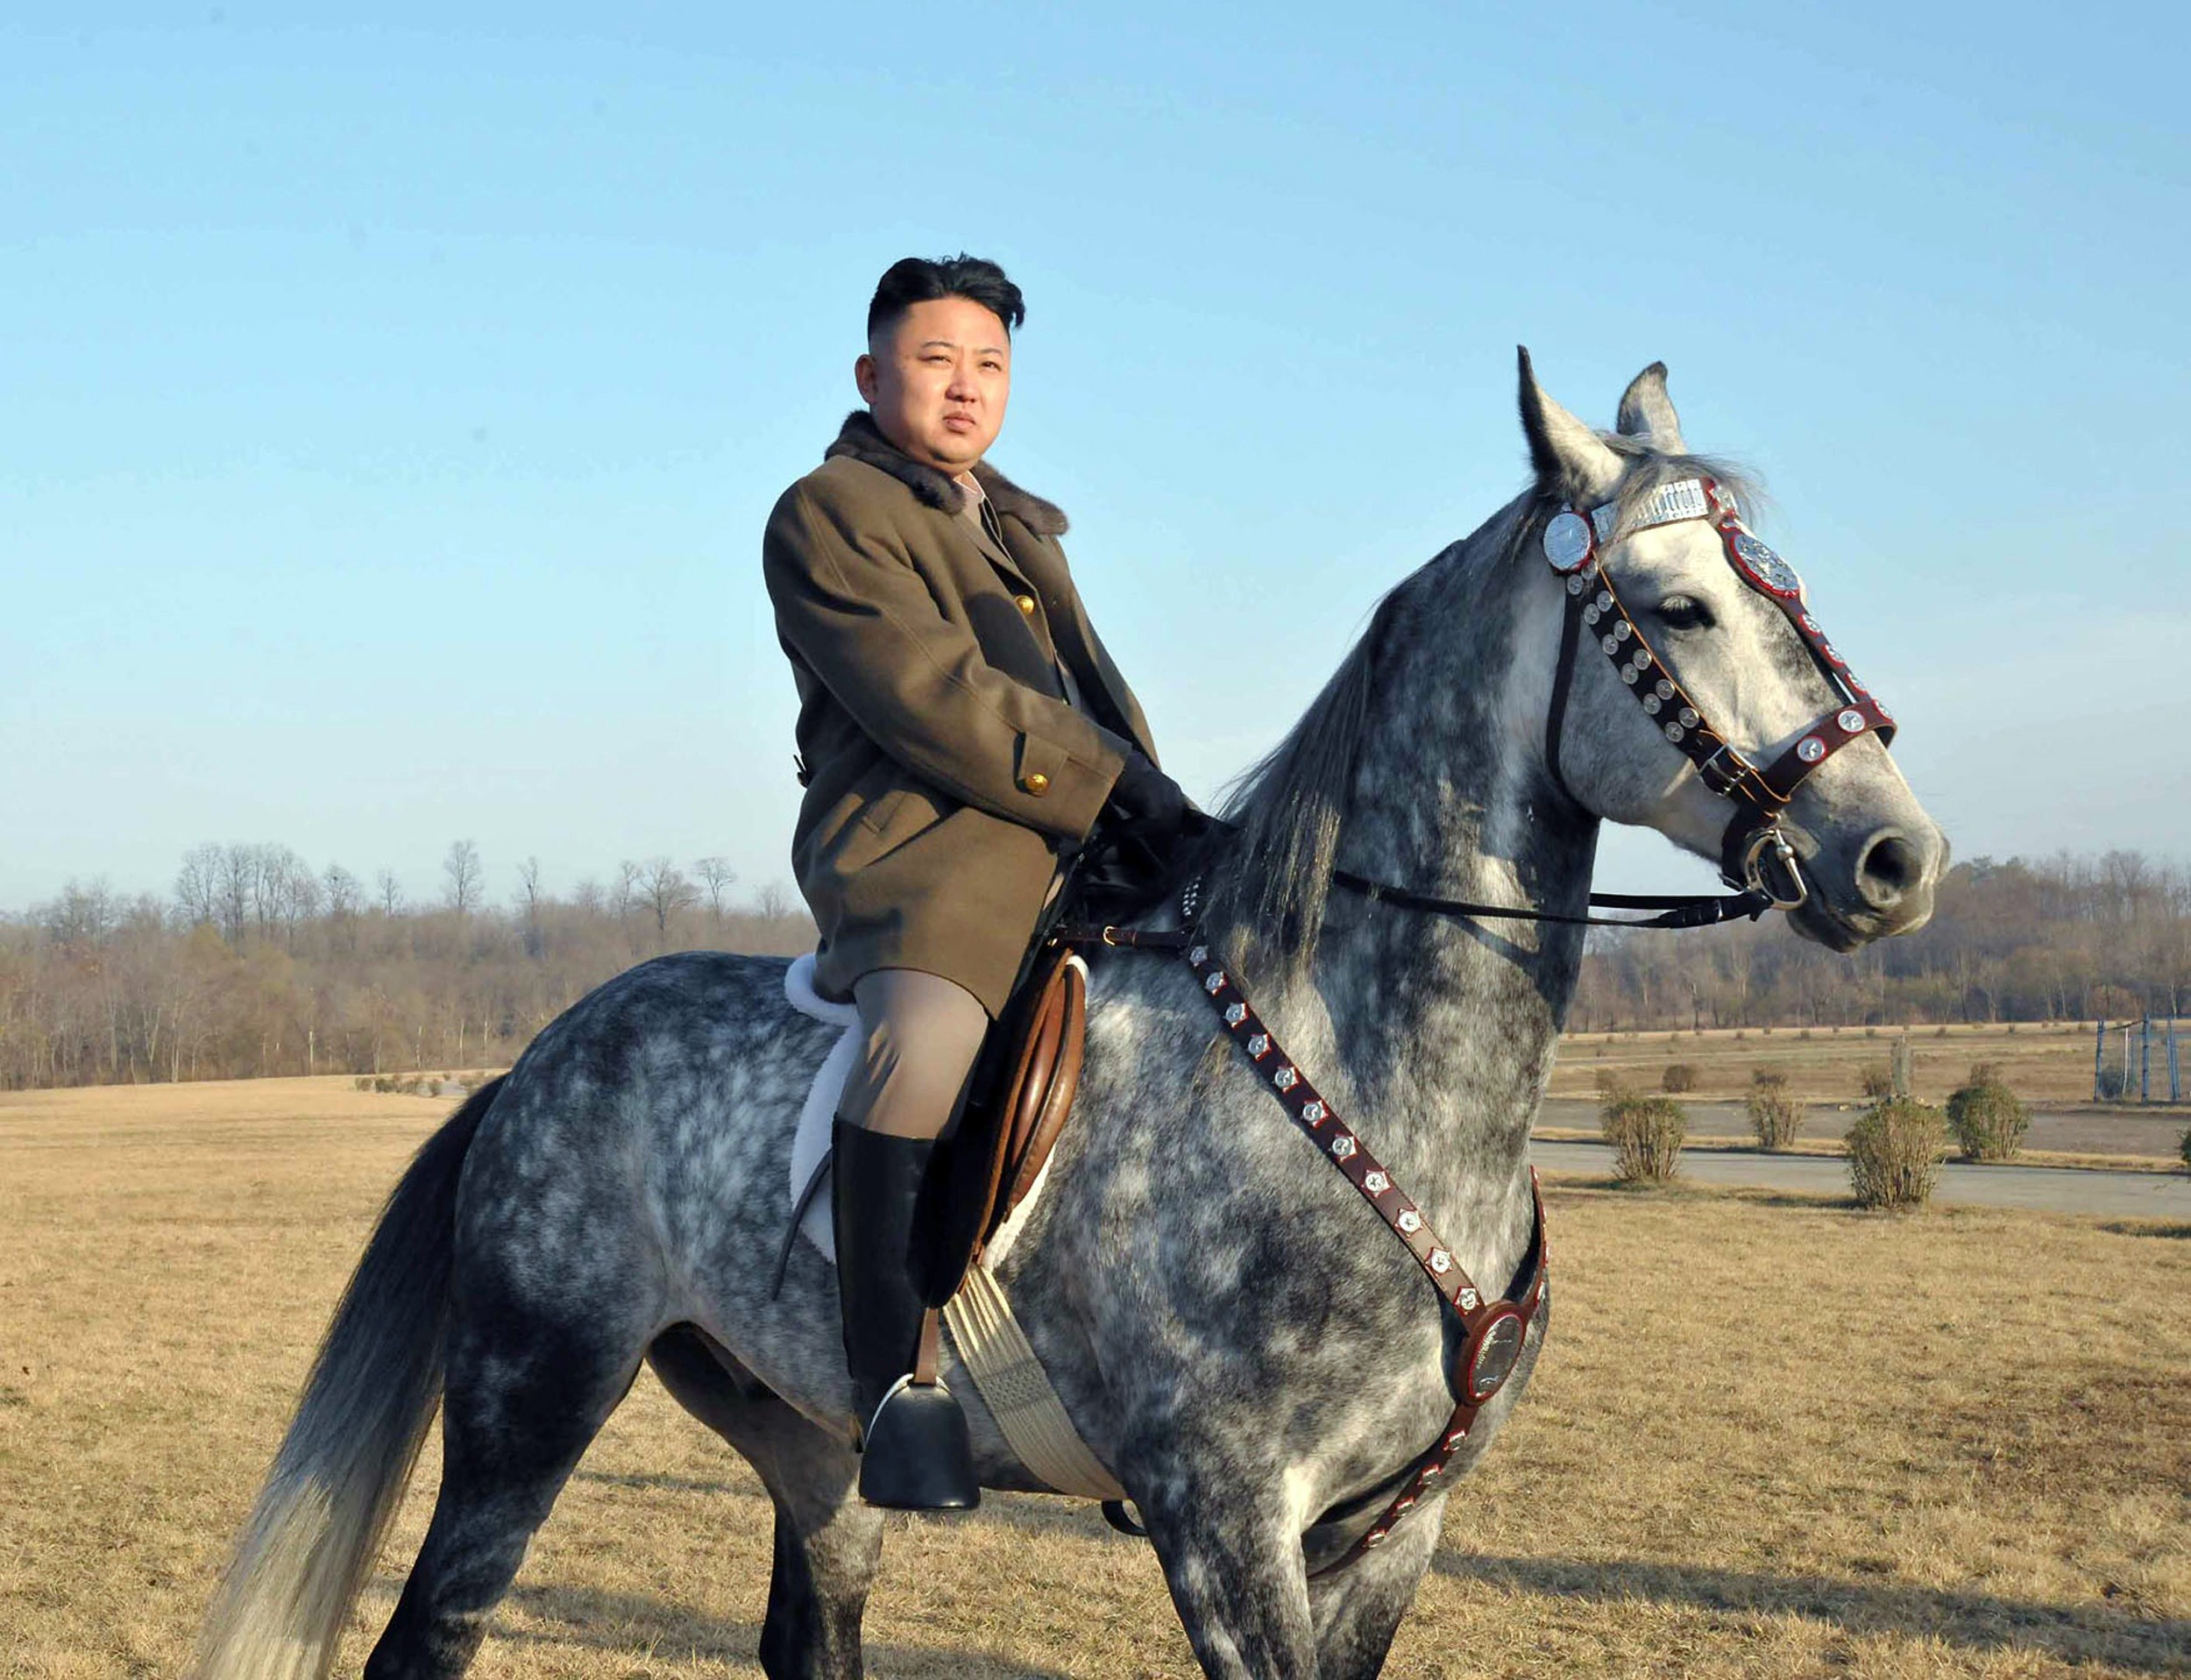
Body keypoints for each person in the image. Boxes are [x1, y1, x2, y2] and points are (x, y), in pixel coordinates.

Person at [762, 254, 1187, 1509]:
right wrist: (1115, 785)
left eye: (990, 364)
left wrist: (1162, 810)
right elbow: (933, 698)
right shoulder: (828, 511)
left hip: (1079, 846)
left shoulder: (1017, 526)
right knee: (926, 1044)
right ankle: (894, 1390)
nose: (967, 385)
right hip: (925, 856)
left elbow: (1093, 697)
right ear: (870, 373)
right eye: (937, 358)